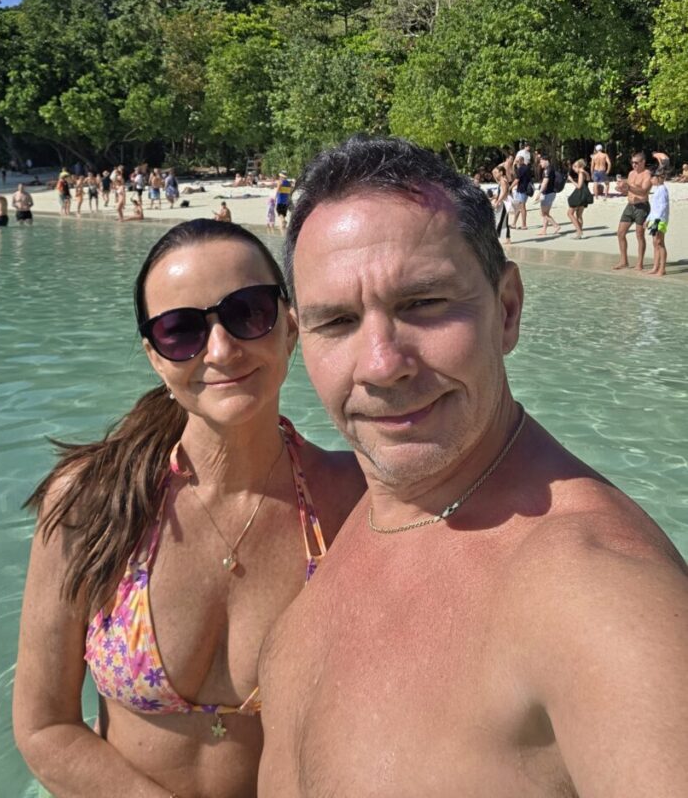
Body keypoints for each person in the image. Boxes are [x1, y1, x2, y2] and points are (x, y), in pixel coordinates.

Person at [257, 135, 688, 798]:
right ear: (298, 338)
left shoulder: (598, 593)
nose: (382, 364)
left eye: (423, 303)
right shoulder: (353, 519)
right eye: (336, 321)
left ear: (507, 309)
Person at [13, 219, 364, 798]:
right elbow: (45, 726)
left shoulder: (356, 501)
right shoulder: (92, 502)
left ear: (290, 326)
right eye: (180, 331)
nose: (221, 350)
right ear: (155, 357)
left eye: (248, 312)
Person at [614, 152, 652, 271]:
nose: (634, 165)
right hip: (630, 206)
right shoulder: (631, 173)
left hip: (642, 206)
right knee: (620, 233)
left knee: (639, 235)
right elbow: (628, 191)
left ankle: (639, 263)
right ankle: (624, 261)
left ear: (643, 162)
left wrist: (629, 187)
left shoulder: (647, 174)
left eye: (636, 163)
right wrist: (622, 189)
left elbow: (644, 191)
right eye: (632, 162)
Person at [645, 168, 670, 277]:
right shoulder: (657, 189)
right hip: (654, 219)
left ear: (658, 178)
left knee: (660, 243)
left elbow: (663, 207)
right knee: (655, 243)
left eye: (652, 178)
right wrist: (648, 219)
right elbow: (654, 208)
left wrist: (656, 221)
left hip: (659, 220)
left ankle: (662, 269)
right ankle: (655, 267)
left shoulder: (663, 189)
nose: (651, 180)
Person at [565, 158, 593, 239]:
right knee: (579, 215)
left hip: (580, 194)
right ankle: (579, 233)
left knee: (570, 213)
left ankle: (579, 231)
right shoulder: (585, 173)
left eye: (575, 166)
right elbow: (588, 179)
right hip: (585, 194)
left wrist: (571, 180)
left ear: (580, 167)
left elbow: (579, 186)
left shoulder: (581, 173)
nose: (573, 168)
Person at [536, 155, 561, 235]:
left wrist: (539, 193)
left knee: (543, 213)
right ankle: (544, 230)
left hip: (547, 193)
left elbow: (545, 183)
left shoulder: (548, 170)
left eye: (541, 162)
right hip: (552, 193)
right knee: (546, 213)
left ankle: (556, 225)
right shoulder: (551, 169)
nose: (540, 164)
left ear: (546, 161)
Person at [509, 155, 532, 230]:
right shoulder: (526, 167)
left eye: (518, 161)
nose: (517, 162)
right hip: (524, 189)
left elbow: (517, 179)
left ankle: (524, 225)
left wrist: (510, 187)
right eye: (516, 161)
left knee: (522, 207)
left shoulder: (521, 169)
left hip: (522, 190)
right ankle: (514, 223)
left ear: (522, 161)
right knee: (519, 207)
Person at [490, 165, 511, 245]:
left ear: (501, 173)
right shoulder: (502, 180)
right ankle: (507, 238)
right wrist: (494, 198)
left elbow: (504, 192)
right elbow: (501, 191)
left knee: (501, 220)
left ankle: (495, 238)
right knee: (503, 220)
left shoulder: (503, 181)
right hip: (503, 202)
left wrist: (498, 201)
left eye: (497, 173)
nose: (495, 174)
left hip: (504, 203)